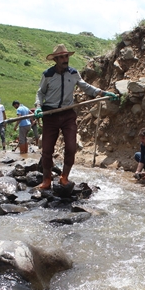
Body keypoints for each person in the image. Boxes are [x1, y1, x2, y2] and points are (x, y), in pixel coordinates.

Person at [35, 44, 116, 189]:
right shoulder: (47, 75)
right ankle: (46, 179)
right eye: (61, 57)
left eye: (66, 56)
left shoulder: (73, 73)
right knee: (47, 149)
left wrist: (103, 93)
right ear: (56, 59)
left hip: (68, 114)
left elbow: (86, 87)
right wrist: (38, 107)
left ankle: (64, 177)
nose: (65, 59)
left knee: (71, 148)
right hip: (50, 114)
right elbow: (40, 93)